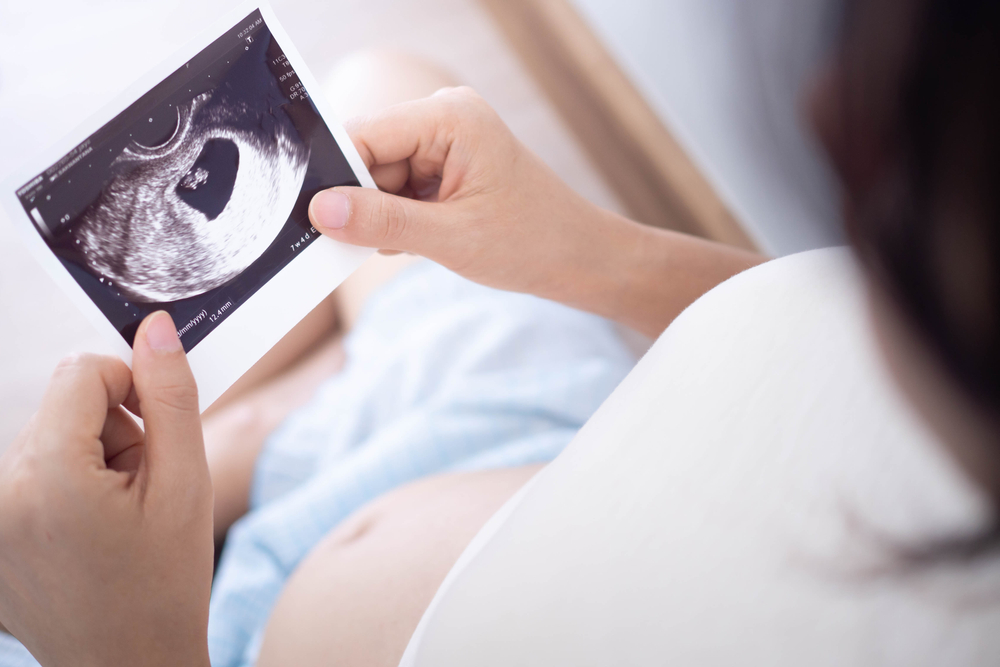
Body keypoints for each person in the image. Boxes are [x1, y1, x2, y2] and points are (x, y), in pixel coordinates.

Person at [1, 0, 998, 665]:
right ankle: (274, 432)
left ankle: (259, 439)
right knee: (379, 87)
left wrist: (128, 647)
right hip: (557, 435)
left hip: (213, 629)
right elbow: (798, 341)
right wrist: (581, 250)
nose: (823, 108)